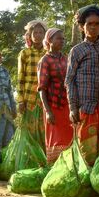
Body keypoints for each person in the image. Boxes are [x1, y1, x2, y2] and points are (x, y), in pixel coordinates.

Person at [65, 5, 99, 165]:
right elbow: (70, 80)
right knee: (86, 151)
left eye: (97, 24)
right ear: (82, 27)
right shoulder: (77, 51)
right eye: (89, 24)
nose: (93, 27)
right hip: (85, 108)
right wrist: (73, 108)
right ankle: (85, 183)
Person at [38, 28, 73, 164]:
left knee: (69, 137)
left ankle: (68, 167)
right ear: (49, 41)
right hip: (53, 106)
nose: (62, 41)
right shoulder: (45, 60)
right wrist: (48, 111)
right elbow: (42, 88)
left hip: (67, 105)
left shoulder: (65, 59)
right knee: (56, 138)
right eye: (58, 38)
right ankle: (55, 167)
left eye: (63, 39)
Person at [17, 20, 48, 149]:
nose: (38, 35)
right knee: (29, 131)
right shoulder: (24, 53)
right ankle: (30, 158)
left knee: (44, 129)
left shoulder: (48, 53)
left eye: (41, 32)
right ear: (30, 35)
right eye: (35, 32)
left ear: (45, 35)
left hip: (45, 98)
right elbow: (20, 78)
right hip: (29, 98)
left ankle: (45, 158)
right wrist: (20, 100)